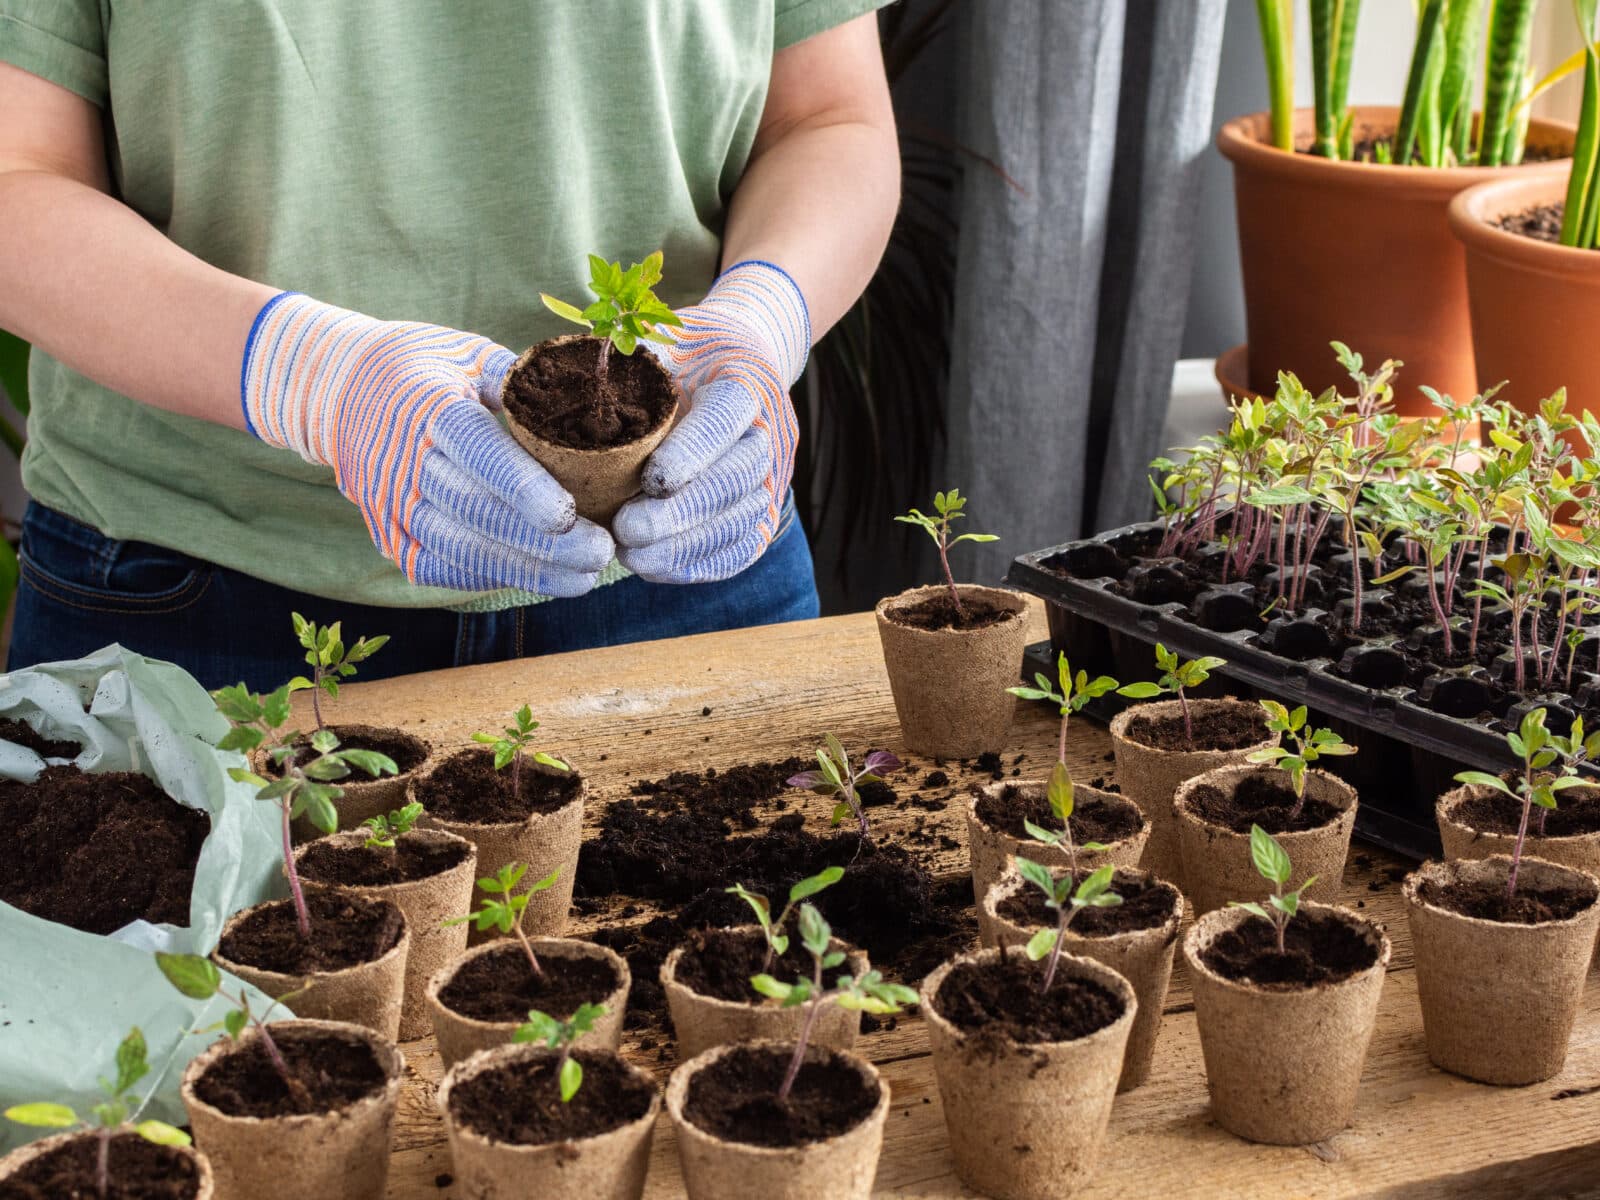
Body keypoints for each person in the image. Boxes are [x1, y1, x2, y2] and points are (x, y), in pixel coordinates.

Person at [0, 2, 900, 689]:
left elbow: (824, 115)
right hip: (201, 601)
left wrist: (759, 318)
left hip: (683, 565)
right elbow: (17, 174)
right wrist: (315, 378)